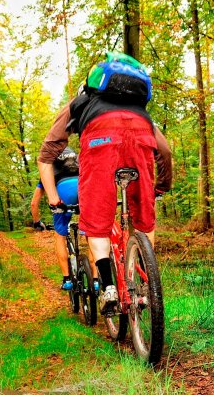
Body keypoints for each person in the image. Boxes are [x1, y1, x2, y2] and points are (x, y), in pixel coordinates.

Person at [37, 52, 173, 314]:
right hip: (140, 141)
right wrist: (161, 188)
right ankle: (143, 284)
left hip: (100, 144)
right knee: (144, 219)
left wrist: (54, 198)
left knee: (97, 221)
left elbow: (47, 155)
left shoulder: (80, 102)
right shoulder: (140, 111)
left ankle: (108, 287)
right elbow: (164, 152)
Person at [30, 147, 86, 291]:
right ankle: (97, 280)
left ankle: (67, 279)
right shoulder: (78, 161)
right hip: (83, 187)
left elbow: (34, 203)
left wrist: (37, 222)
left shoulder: (49, 170)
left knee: (60, 235)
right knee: (91, 232)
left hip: (63, 191)